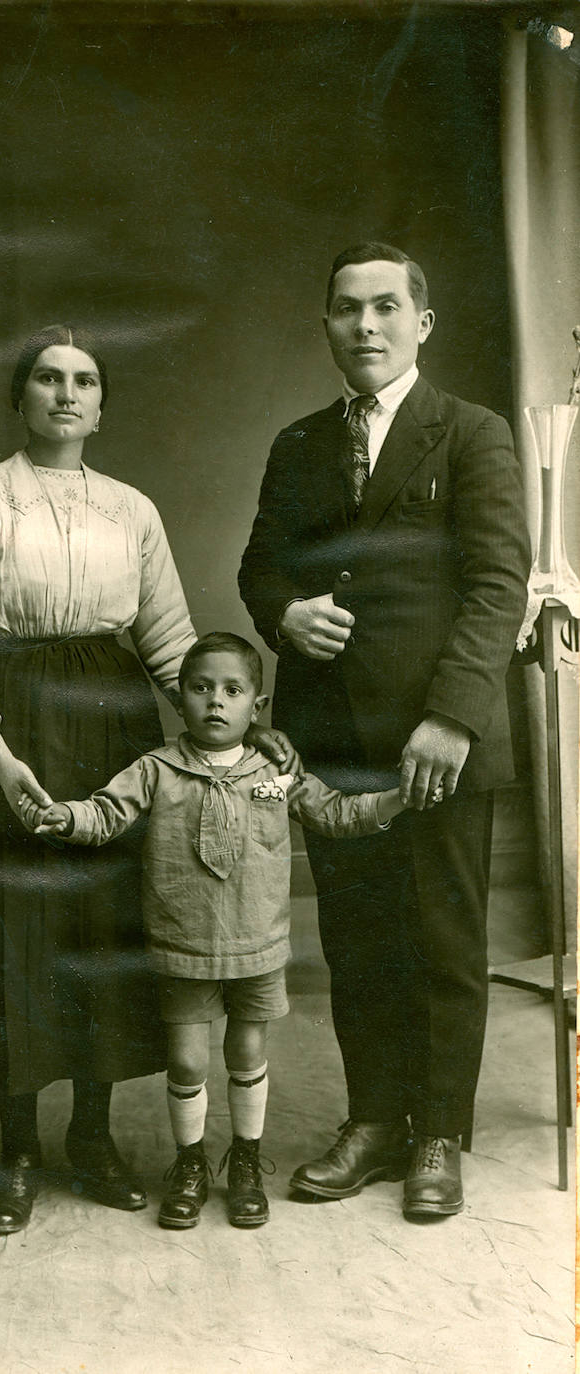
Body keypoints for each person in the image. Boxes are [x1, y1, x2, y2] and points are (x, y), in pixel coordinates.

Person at [0, 325, 294, 1235]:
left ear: (99, 403)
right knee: (19, 936)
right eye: (46, 378)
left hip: (112, 729)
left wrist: (254, 734)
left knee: (102, 929)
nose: (65, 393)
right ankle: (15, 1150)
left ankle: (92, 1136)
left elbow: (170, 645)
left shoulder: (131, 509)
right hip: (10, 725)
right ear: (19, 397)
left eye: (83, 381)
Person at [238, 243, 530, 1219]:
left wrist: (450, 718)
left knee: (444, 941)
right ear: (325, 325)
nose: (365, 326)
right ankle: (372, 1122)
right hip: (330, 738)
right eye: (346, 310)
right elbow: (258, 569)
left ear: (421, 322)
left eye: (384, 308)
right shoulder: (296, 446)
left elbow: (496, 588)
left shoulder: (472, 435)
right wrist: (284, 614)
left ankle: (437, 1134)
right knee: (357, 939)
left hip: (436, 738)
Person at [22, 632, 412, 1231]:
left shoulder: (275, 773)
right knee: (185, 1060)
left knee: (247, 1050)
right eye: (201, 689)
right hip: (184, 944)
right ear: (180, 700)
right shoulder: (157, 769)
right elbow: (107, 811)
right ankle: (190, 1163)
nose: (215, 702)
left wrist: (392, 802)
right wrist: (66, 816)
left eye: (233, 691)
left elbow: (335, 811)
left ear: (257, 707)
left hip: (255, 945)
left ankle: (247, 1162)